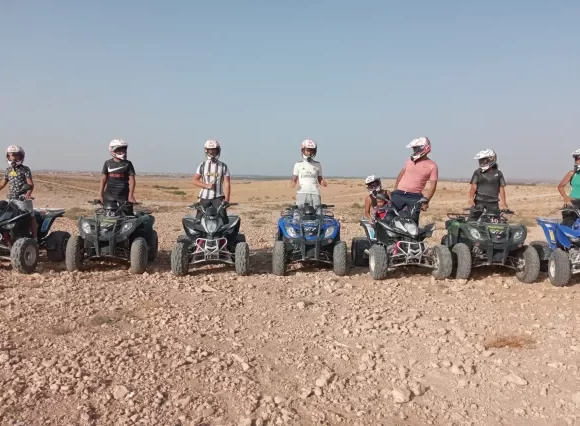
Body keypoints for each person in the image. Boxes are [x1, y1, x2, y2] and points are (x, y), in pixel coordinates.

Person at [392, 137, 438, 223]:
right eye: (414, 148)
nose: (415, 150)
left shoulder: (432, 166)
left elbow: (433, 186)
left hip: (415, 197)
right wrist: (395, 190)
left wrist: (426, 201)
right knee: (389, 217)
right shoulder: (409, 160)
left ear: (425, 147)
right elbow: (402, 174)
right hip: (399, 193)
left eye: (417, 148)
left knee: (412, 222)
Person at [192, 139, 233, 228]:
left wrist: (227, 200)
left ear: (218, 150)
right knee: (198, 220)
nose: (212, 153)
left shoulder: (223, 166)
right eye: (210, 151)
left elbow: (227, 183)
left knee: (224, 219)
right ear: (206, 151)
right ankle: (199, 239)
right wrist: (206, 185)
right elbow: (195, 180)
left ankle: (225, 239)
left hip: (218, 197)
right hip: (204, 197)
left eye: (214, 150)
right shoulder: (202, 165)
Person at [0, 145, 37, 239]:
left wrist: (28, 193)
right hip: (11, 198)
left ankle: (35, 238)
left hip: (23, 198)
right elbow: (2, 184)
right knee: (6, 218)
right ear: (8, 157)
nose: (14, 158)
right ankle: (7, 238)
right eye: (11, 156)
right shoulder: (8, 170)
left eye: (17, 156)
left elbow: (30, 184)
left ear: (21, 157)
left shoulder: (25, 169)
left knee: (31, 216)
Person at [99, 139, 137, 215]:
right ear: (113, 150)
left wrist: (131, 195)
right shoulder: (108, 163)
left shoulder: (128, 164)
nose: (122, 151)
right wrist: (100, 195)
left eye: (123, 149)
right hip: (109, 196)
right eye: (119, 149)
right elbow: (103, 179)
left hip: (124, 197)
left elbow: (132, 180)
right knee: (108, 218)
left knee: (128, 218)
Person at [469, 149, 508, 217]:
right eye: (480, 160)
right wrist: (471, 199)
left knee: (495, 224)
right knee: (473, 222)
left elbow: (501, 189)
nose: (481, 162)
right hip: (479, 202)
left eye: (483, 160)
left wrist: (504, 203)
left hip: (493, 203)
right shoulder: (477, 172)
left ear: (491, 159)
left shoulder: (498, 173)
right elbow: (473, 187)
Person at [290, 139, 327, 208]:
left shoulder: (317, 164)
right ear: (303, 150)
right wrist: (292, 183)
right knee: (299, 213)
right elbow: (294, 179)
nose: (309, 153)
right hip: (302, 193)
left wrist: (323, 183)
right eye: (308, 150)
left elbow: (320, 179)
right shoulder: (298, 164)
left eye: (312, 150)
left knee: (318, 213)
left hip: (315, 193)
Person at [557, 149, 580, 227]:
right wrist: (565, 197)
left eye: (579, 158)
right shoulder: (572, 173)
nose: (577, 161)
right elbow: (560, 186)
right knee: (567, 226)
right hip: (573, 202)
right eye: (576, 158)